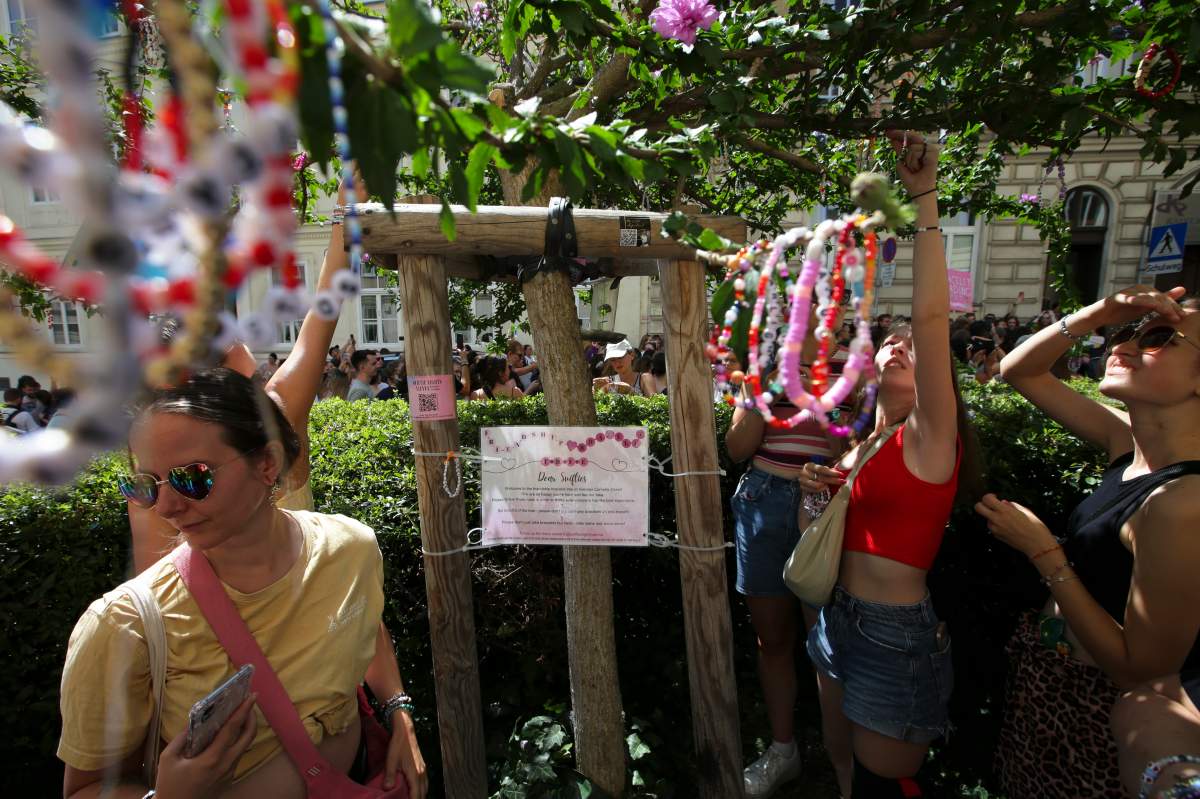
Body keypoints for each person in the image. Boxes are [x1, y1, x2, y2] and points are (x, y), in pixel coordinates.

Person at [59, 369, 427, 799]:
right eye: (146, 485)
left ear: (267, 463)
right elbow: (83, 789)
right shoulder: (124, 625)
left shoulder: (350, 548)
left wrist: (400, 713)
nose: (167, 507)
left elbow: (361, 621)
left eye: (192, 477)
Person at [798, 132, 982, 798]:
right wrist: (811, 491)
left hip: (891, 635)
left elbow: (932, 317)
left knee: (885, 785)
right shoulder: (859, 439)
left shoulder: (931, 436)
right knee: (844, 769)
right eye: (895, 340)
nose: (906, 344)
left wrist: (923, 198)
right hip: (836, 620)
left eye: (915, 345)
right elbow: (817, 529)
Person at [975, 285, 1200, 799]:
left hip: (1104, 721)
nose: (1120, 347)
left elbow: (1139, 670)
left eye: (1160, 338)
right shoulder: (1129, 444)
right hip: (1055, 685)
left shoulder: (1182, 502)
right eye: (1125, 335)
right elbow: (1020, 371)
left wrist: (1042, 551)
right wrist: (1102, 311)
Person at [726, 318, 852, 798]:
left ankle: (843, 766)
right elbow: (737, 448)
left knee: (827, 644)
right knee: (772, 638)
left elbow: (853, 453)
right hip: (761, 498)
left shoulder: (854, 367)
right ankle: (784, 751)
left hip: (823, 500)